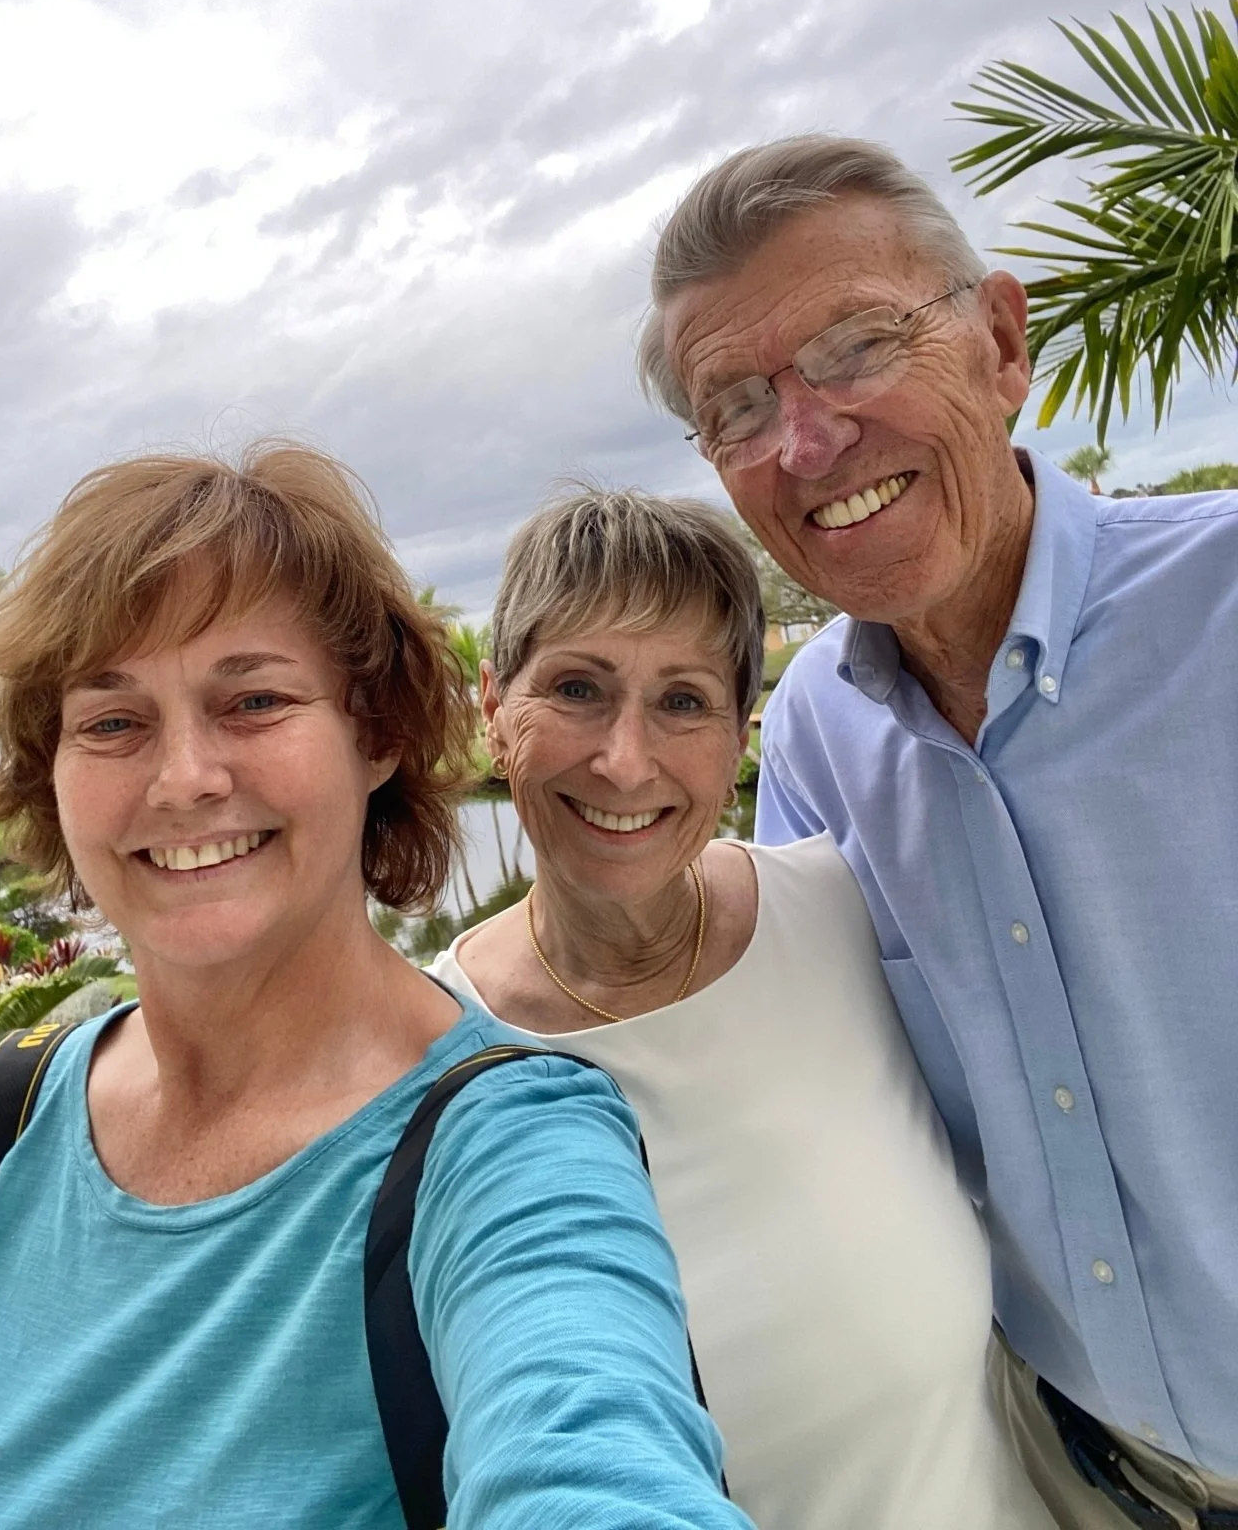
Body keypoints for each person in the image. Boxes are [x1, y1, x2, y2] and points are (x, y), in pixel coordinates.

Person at [0, 443, 750, 1530]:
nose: (184, 779)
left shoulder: (507, 1150)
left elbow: (589, 1458)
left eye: (252, 700)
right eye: (112, 722)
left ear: (376, 736)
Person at [638, 133, 1238, 1529]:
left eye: (856, 347)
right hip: (1084, 1481)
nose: (807, 443)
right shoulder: (814, 737)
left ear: (1002, 344)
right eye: (738, 407)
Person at [429, 486, 1054, 1530]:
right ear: (493, 705)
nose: (624, 759)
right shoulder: (429, 1063)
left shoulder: (847, 913)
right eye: (577, 689)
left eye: (683, 701)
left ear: (738, 735)